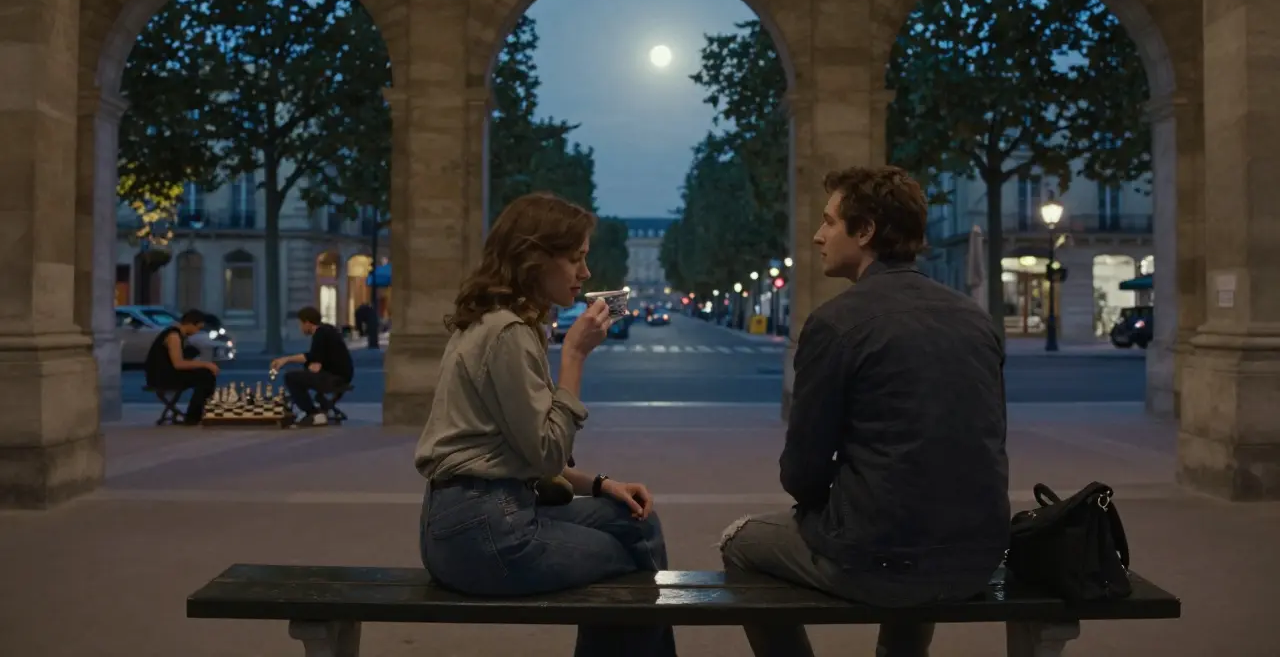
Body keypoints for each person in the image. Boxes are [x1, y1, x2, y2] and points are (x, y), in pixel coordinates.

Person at [719, 166, 1010, 657]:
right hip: (979, 555)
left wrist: (836, 507)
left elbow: (802, 472)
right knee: (905, 523)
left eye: (830, 222)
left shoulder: (837, 323)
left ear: (866, 230)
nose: (817, 236)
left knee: (740, 543)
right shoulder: (976, 319)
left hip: (880, 560)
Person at [415, 192, 677, 657]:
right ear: (535, 259)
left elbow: (515, 451)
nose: (586, 274)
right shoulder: (509, 333)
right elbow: (545, 453)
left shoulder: (498, 323)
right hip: (487, 532)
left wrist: (599, 484)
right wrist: (574, 356)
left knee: (637, 521)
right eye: (575, 259)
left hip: (466, 517)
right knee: (632, 559)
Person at [271, 306, 354, 428]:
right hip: (343, 375)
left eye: (301, 324)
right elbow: (313, 357)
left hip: (335, 377)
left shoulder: (320, 334)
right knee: (302, 375)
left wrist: (286, 360)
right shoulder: (327, 330)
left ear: (308, 323)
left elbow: (313, 361)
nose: (301, 328)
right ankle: (319, 408)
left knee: (291, 378)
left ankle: (313, 413)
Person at [144, 309, 220, 426]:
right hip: (161, 377)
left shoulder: (179, 335)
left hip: (167, 373)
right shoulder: (173, 335)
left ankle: (195, 414)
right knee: (206, 377)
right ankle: (193, 417)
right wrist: (206, 364)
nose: (197, 332)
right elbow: (178, 363)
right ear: (190, 324)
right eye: (198, 328)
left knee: (205, 375)